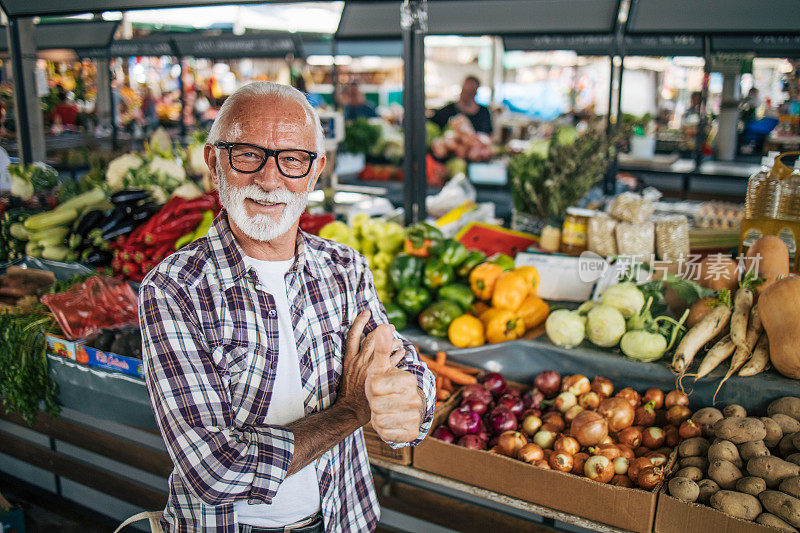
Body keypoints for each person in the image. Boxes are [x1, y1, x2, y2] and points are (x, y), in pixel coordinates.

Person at [139, 81, 436, 533]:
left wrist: (412, 398)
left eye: (292, 159)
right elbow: (216, 472)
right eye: (246, 153)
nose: (269, 179)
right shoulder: (174, 289)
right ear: (213, 161)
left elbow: (398, 360)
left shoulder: (344, 267)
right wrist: (349, 414)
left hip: (344, 519)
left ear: (315, 172)